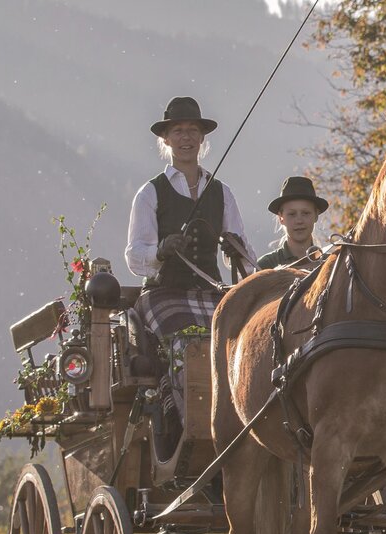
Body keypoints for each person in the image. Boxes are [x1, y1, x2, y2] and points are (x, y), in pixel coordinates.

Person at [124, 96, 255, 454]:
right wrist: (161, 250)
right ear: (166, 140)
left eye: (192, 131)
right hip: (164, 295)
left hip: (212, 293)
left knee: (239, 343)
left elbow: (248, 255)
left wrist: (234, 249)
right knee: (188, 345)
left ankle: (242, 423)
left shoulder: (221, 193)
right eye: (178, 131)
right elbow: (135, 257)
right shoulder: (150, 193)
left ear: (202, 139)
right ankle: (190, 430)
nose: (186, 138)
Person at [257, 176, 328, 270]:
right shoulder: (266, 265)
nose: (299, 221)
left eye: (306, 213)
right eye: (292, 214)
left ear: (316, 216)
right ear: (281, 218)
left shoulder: (330, 264)